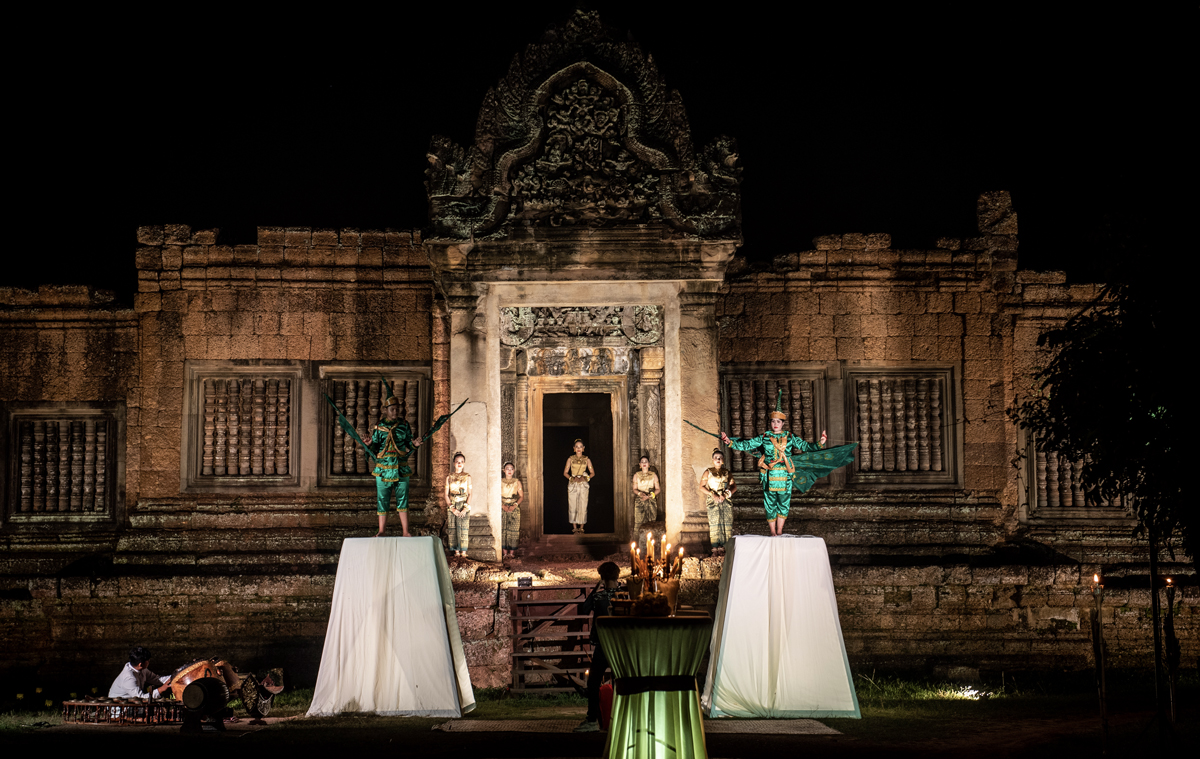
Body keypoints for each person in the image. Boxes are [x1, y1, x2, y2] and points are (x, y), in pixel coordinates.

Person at [720, 390, 828, 536]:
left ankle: (780, 530)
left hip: (785, 473)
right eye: (773, 421)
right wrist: (729, 442)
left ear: (783, 423)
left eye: (778, 421)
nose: (775, 424)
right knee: (770, 502)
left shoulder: (789, 436)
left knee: (784, 502)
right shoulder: (765, 436)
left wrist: (819, 443)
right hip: (769, 473)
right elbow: (747, 445)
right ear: (770, 423)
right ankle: (772, 532)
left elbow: (805, 447)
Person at [574, 560, 622, 733]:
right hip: (620, 645)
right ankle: (620, 718)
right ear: (617, 575)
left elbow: (583, 611)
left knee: (594, 683)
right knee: (620, 683)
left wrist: (595, 587)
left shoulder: (598, 597)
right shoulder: (625, 594)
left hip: (602, 645)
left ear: (602, 577)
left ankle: (592, 719)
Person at [368, 393, 422, 537]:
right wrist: (369, 444)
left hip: (401, 467)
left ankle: (405, 531)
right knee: (382, 499)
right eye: (392, 409)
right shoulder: (379, 427)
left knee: (403, 498)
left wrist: (414, 445)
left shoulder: (404, 425)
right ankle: (381, 530)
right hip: (383, 468)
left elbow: (408, 445)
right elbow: (374, 447)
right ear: (385, 410)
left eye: (397, 409)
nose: (395, 412)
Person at [699, 448, 736, 554]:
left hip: (725, 500)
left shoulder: (727, 472)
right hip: (713, 501)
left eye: (720, 458)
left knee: (726, 522)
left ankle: (725, 548)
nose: (718, 459)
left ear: (723, 460)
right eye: (716, 458)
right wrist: (713, 494)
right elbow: (701, 487)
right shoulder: (708, 472)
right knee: (715, 523)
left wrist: (726, 494)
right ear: (712, 460)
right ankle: (715, 548)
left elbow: (734, 486)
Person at [563, 439, 595, 534]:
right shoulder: (570, 459)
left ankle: (581, 527)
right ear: (574, 448)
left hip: (583, 484)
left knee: (583, 504)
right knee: (573, 504)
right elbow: (565, 472)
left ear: (583, 448)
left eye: (580, 447)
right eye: (577, 447)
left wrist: (585, 478)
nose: (579, 449)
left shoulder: (587, 459)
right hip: (573, 484)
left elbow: (592, 473)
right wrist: (572, 479)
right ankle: (574, 527)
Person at [445, 452, 472, 557]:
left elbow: (470, 494)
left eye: (461, 462)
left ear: (464, 463)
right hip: (453, 505)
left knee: (463, 528)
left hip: (464, 505)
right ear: (453, 463)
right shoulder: (449, 477)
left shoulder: (468, 477)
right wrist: (452, 508)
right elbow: (446, 495)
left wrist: (465, 509)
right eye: (457, 462)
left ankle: (464, 552)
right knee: (453, 528)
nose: (459, 464)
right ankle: (456, 552)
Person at [500, 461, 524, 559]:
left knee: (514, 530)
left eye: (511, 469)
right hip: (502, 507)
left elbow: (521, 496)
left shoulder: (517, 482)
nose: (509, 471)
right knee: (503, 530)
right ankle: (504, 553)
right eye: (507, 469)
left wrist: (514, 505)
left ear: (514, 471)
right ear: (503, 470)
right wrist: (502, 506)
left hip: (514, 507)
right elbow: (495, 495)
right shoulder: (500, 481)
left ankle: (512, 553)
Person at [631, 455, 660, 533]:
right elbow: (634, 489)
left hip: (651, 500)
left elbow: (658, 489)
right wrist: (641, 494)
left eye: (646, 461)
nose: (644, 463)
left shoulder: (654, 475)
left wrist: (649, 496)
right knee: (639, 521)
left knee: (651, 521)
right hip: (640, 500)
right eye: (642, 462)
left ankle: (651, 541)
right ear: (640, 464)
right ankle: (638, 541)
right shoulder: (636, 475)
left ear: (649, 464)